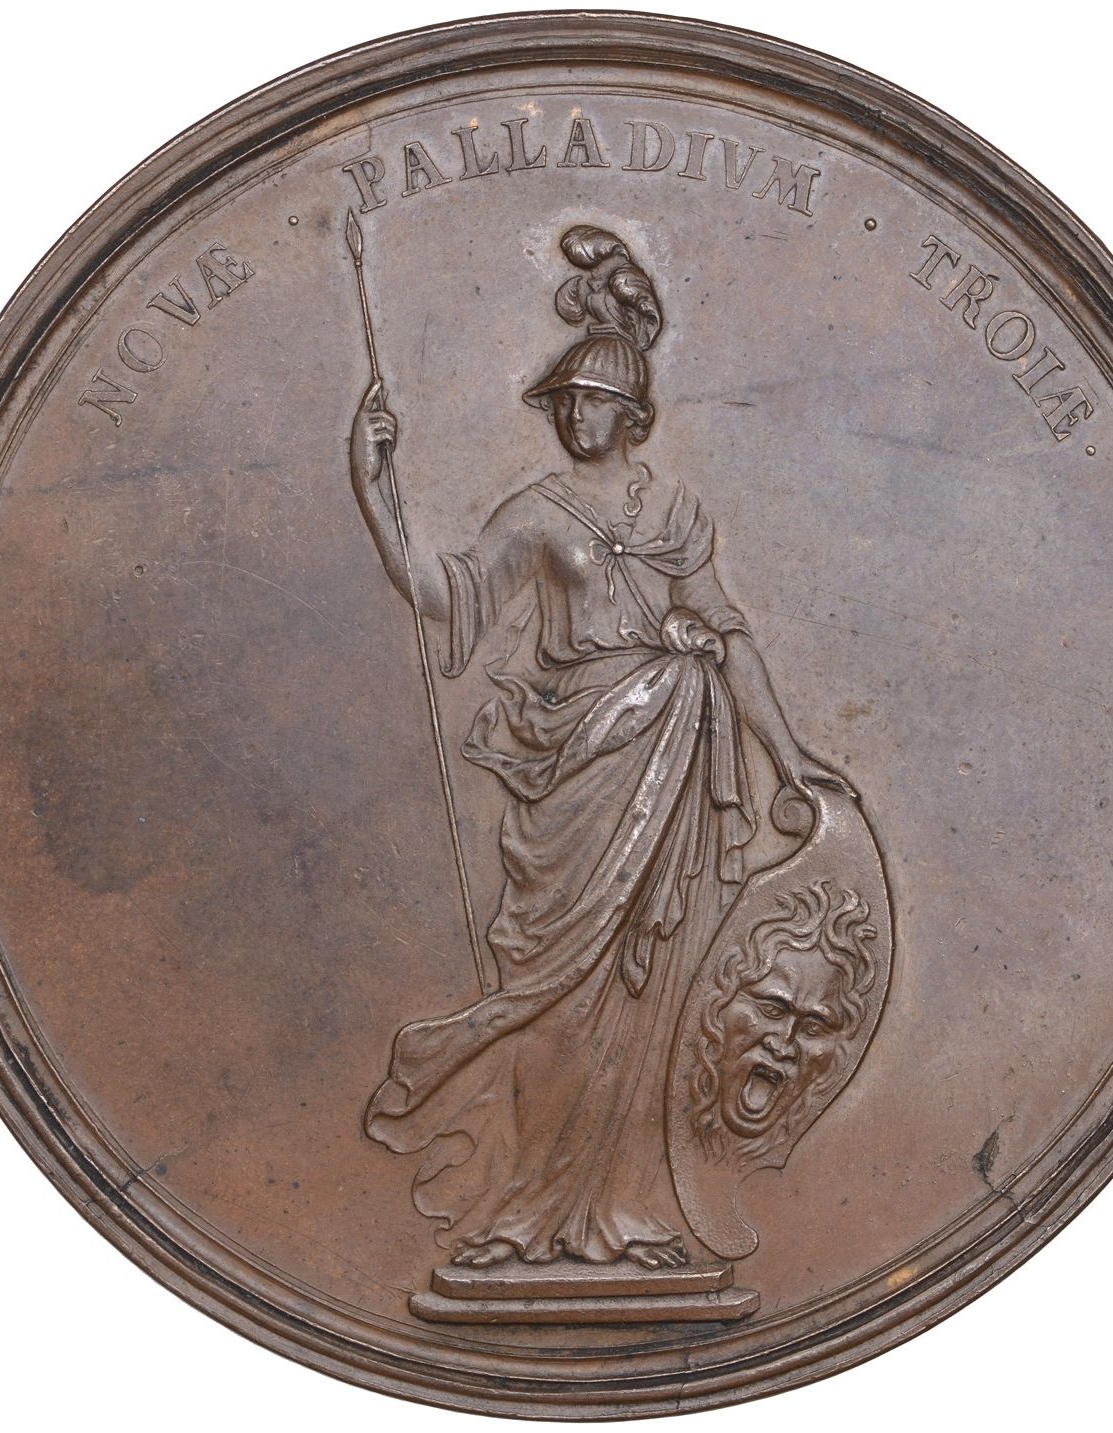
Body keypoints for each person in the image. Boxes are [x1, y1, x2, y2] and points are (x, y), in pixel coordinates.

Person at [354, 227, 855, 1270]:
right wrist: (373, 491)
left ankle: (625, 1212)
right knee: (555, 989)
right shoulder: (534, 513)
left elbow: (727, 634)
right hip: (575, 768)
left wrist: (787, 753)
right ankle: (518, 1214)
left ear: (630, 413)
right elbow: (445, 596)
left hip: (672, 757)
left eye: (586, 401)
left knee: (647, 987)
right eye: (561, 402)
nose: (569, 415)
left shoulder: (676, 511)